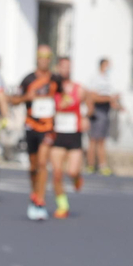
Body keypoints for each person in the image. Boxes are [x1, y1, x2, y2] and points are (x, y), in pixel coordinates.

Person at [10, 45, 59, 221]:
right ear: (37, 58)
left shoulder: (55, 79)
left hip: (48, 127)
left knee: (42, 163)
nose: (44, 60)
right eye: (41, 56)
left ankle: (41, 200)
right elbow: (13, 99)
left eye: (47, 57)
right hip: (31, 126)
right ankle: (34, 193)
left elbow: (65, 97)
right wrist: (26, 98)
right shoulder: (28, 79)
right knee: (33, 166)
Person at [47, 56, 85, 218]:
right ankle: (62, 205)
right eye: (63, 67)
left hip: (74, 135)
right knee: (57, 173)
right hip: (58, 134)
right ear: (58, 68)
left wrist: (87, 118)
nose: (66, 70)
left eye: (69, 67)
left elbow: (89, 106)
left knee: (72, 171)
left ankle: (77, 178)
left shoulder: (79, 88)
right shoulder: (52, 88)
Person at [85, 57, 119, 176]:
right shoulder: (96, 78)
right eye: (107, 65)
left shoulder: (107, 79)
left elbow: (108, 96)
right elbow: (93, 97)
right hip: (97, 111)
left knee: (101, 140)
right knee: (94, 140)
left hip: (105, 111)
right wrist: (110, 98)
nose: (109, 68)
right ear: (102, 65)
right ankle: (92, 165)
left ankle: (100, 165)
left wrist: (115, 103)